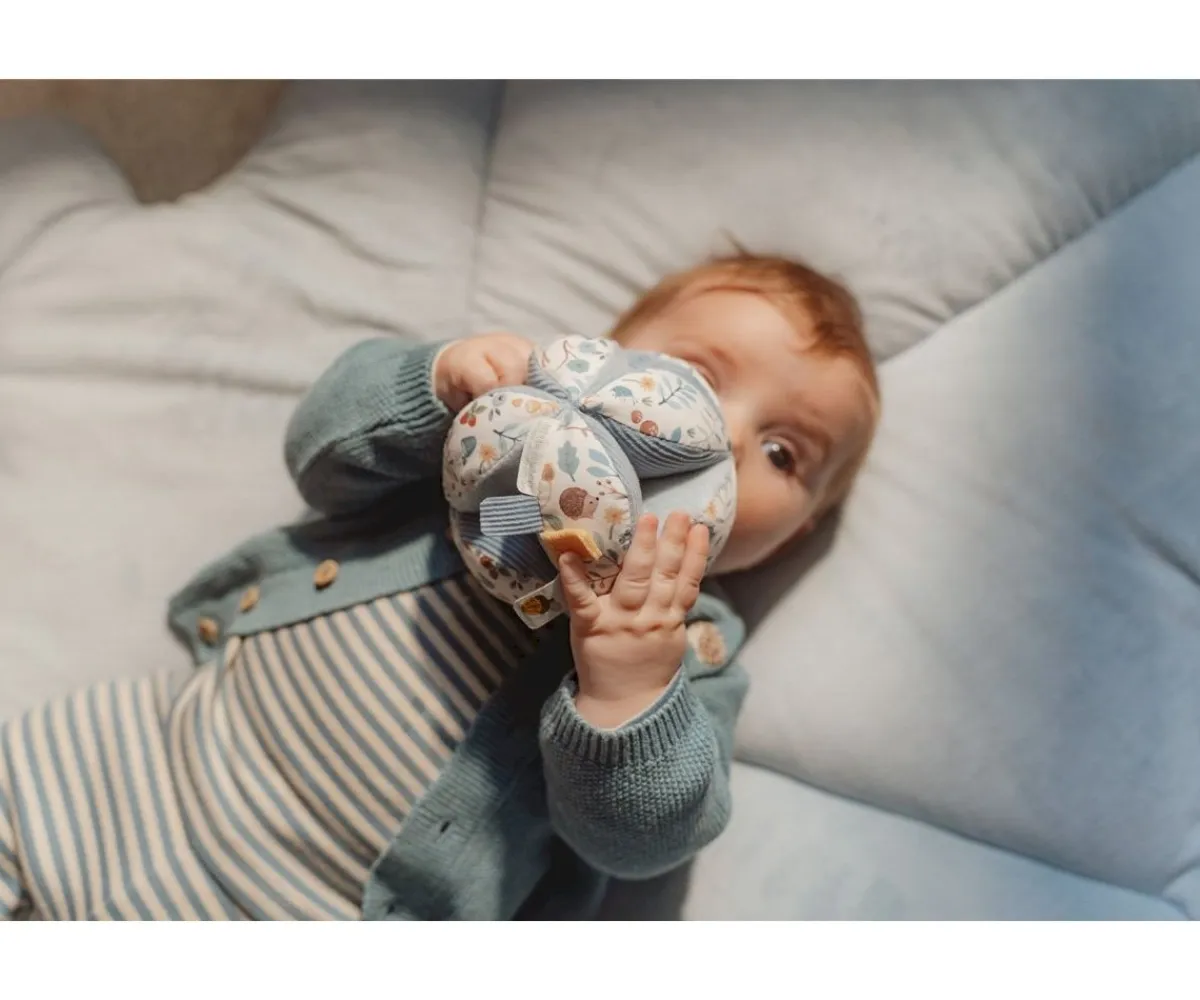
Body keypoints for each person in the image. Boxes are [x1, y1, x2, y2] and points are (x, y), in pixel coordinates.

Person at [0, 253, 879, 921]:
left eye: (782, 452)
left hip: (310, 904)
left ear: (790, 536)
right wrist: (435, 387)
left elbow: (643, 842)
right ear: (602, 358)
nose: (722, 436)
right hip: (140, 754)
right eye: (701, 376)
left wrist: (630, 686)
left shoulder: (689, 653)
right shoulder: (484, 464)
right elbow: (319, 454)